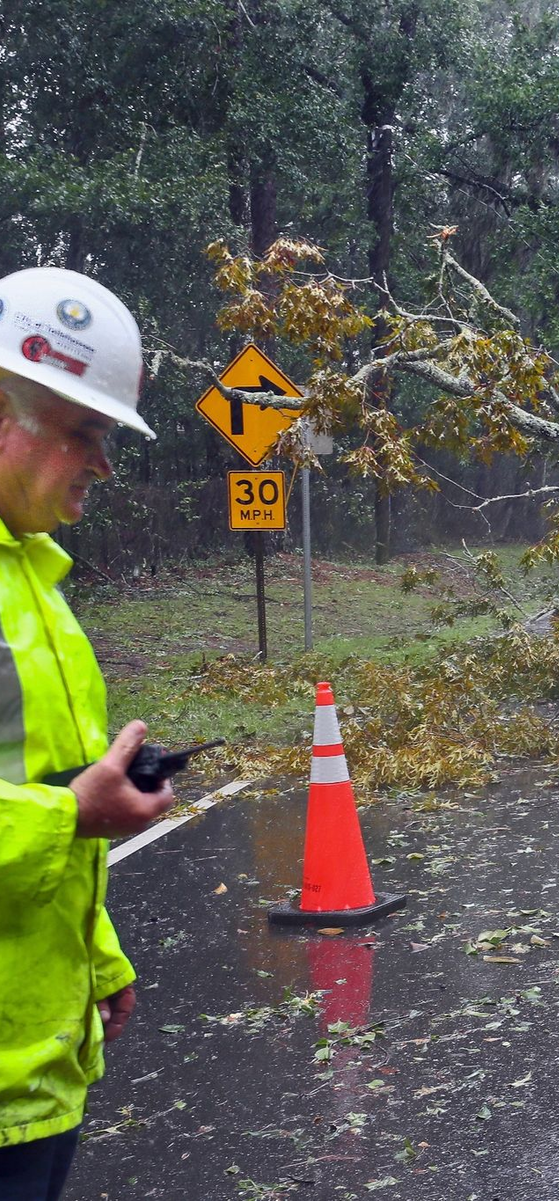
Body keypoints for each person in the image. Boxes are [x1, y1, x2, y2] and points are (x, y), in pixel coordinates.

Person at [0, 267, 174, 1200]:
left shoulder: (35, 575)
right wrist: (73, 813)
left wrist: (97, 957)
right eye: (84, 434)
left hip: (37, 1071)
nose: (102, 466)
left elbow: (39, 776)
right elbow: (61, 804)